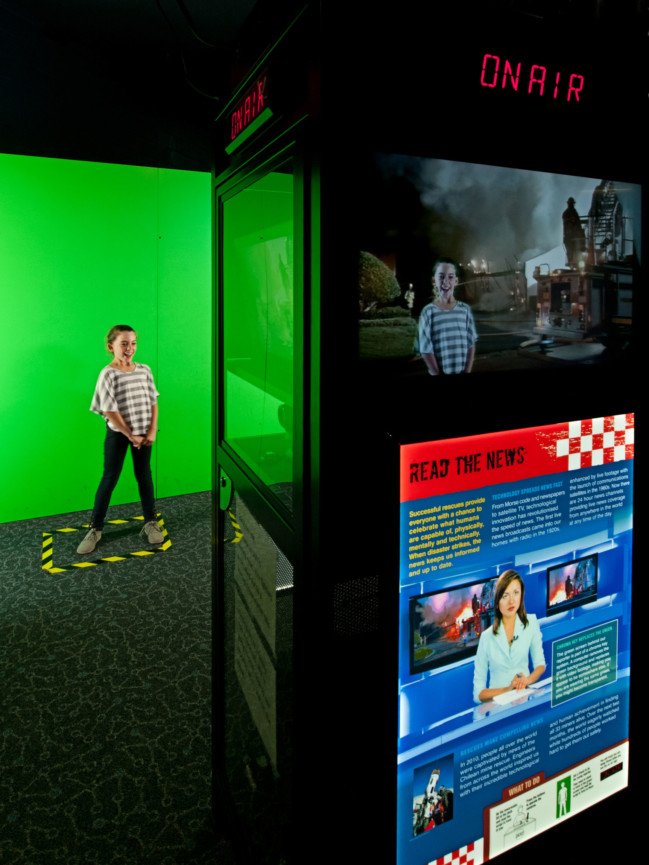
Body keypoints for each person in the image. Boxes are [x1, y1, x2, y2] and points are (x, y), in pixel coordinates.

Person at [77, 325, 163, 555]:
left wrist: (152, 430)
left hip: (144, 433)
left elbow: (153, 400)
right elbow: (110, 410)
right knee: (110, 477)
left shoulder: (144, 370)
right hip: (120, 433)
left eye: (133, 343)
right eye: (124, 343)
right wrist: (129, 434)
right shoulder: (108, 373)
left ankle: (150, 522)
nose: (129, 348)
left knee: (144, 475)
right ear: (111, 346)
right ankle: (95, 528)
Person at [473, 570, 545, 703]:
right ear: (497, 600)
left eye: (516, 593)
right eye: (505, 595)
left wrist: (526, 680)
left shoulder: (531, 622)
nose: (512, 601)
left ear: (521, 595)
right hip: (498, 710)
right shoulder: (486, 637)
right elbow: (478, 694)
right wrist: (508, 689)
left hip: (525, 701)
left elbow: (540, 665)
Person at [418, 258, 477, 375]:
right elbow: (425, 350)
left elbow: (471, 344)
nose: (446, 282)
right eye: (441, 277)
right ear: (434, 281)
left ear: (456, 281)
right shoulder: (428, 312)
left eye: (450, 277)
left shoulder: (465, 310)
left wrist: (467, 371)